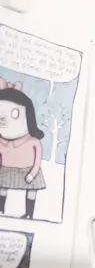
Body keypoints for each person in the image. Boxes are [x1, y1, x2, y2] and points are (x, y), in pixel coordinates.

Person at [0, 83, 45, 220]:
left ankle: (29, 213)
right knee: (2, 188)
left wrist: (32, 173)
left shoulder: (33, 142)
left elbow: (37, 161)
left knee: (32, 190)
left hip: (28, 171)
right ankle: (1, 209)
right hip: (7, 170)